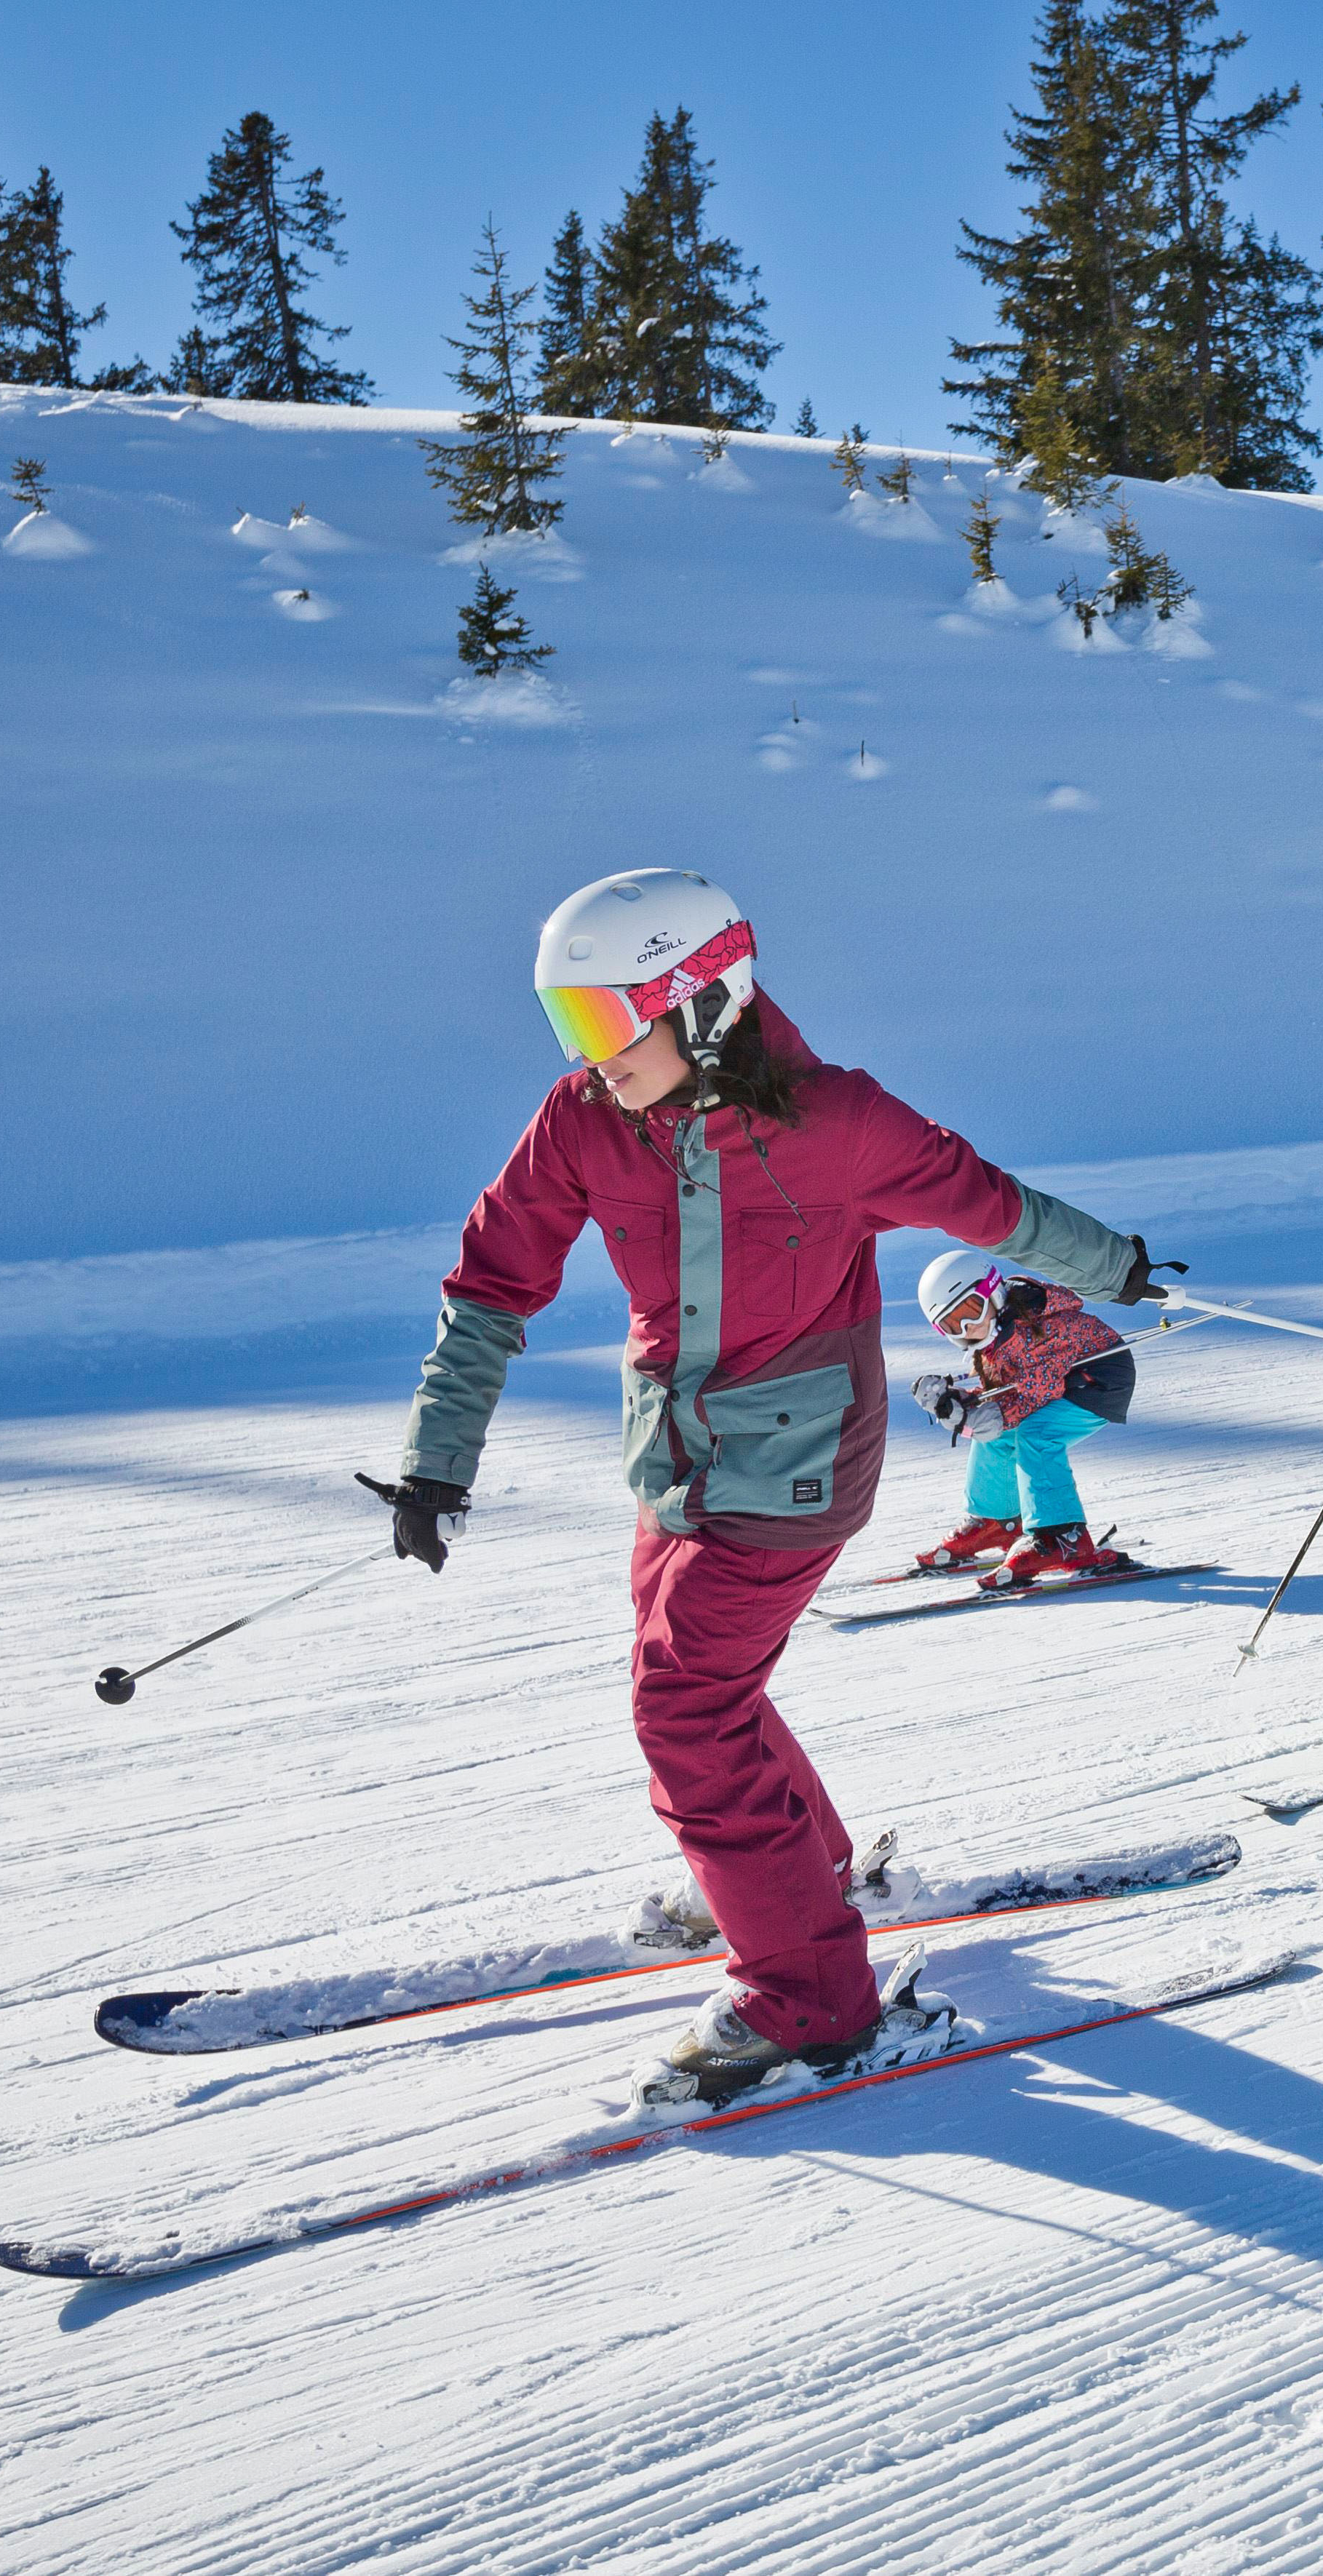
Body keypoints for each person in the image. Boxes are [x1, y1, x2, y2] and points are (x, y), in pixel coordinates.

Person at [357, 868, 1180, 2108]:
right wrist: (437, 1456)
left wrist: (1112, 1263)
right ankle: (805, 1876)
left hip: (798, 1462)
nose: (586, 1056)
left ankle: (813, 2003)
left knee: (684, 1705)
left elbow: (990, 1203)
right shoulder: (585, 1119)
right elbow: (491, 1281)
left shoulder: (836, 1123)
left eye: (601, 1022)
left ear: (700, 1002)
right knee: (695, 1680)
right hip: (674, 1456)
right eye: (565, 1025)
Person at [907, 1250, 1138, 1590]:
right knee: (998, 1436)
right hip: (1059, 1384)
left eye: (972, 1310)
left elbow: (1034, 1395)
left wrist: (977, 1417)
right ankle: (997, 1519)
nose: (970, 1327)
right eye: (953, 1324)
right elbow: (1007, 1391)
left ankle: (1062, 1536)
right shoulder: (997, 1334)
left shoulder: (1032, 1326)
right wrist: (956, 1403)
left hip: (1099, 1380)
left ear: (993, 1292)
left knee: (1036, 1434)